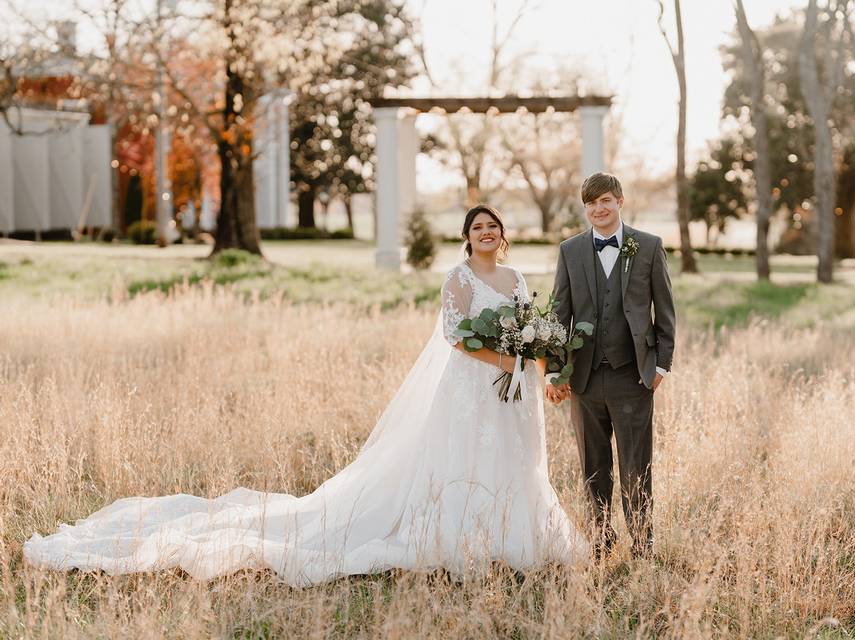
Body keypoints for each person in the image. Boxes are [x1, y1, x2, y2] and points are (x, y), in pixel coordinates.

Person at [23, 205, 584, 586]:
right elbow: (458, 338)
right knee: (464, 459)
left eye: (493, 226)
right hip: (470, 389)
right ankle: (462, 536)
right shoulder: (458, 280)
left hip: (514, 392)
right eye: (477, 227)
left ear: (501, 235)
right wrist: (508, 359)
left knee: (514, 459)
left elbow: (528, 332)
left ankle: (517, 532)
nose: (486, 233)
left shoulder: (514, 280)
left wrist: (539, 366)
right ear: (467, 236)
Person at [546, 172, 676, 559]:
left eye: (605, 201)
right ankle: (601, 541)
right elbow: (558, 313)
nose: (598, 209)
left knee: (637, 465)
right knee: (593, 467)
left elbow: (665, 311)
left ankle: (642, 544)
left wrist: (661, 366)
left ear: (620, 201)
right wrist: (555, 369)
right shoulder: (570, 250)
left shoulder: (648, 247)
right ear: (585, 208)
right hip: (583, 380)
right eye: (590, 203)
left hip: (633, 376)